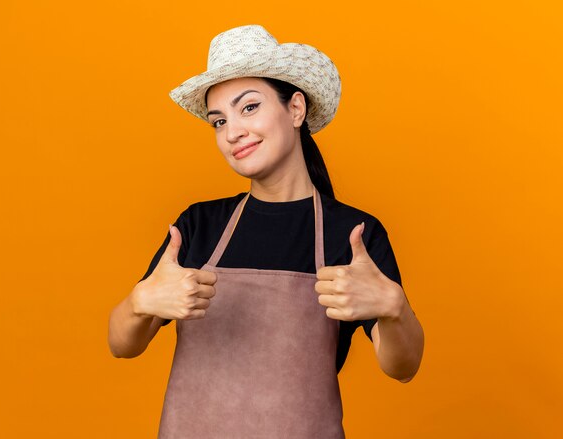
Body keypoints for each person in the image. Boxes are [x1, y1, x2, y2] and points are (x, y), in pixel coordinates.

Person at [108, 24, 424, 438]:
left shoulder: (351, 234)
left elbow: (402, 367)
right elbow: (122, 344)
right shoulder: (198, 226)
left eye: (249, 107)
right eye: (218, 121)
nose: (232, 132)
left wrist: (393, 307)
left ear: (295, 109)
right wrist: (139, 302)